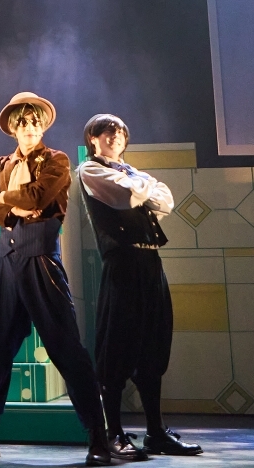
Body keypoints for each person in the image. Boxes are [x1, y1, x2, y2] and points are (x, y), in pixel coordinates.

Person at [0, 92, 115, 465]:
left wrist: (5, 198)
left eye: (35, 122)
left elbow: (40, 195)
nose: (29, 128)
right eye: (22, 123)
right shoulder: (2, 164)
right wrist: (12, 210)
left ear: (43, 126)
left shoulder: (57, 160)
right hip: (7, 263)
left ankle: (99, 439)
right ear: (12, 127)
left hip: (41, 262)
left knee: (66, 350)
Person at [78, 114, 202, 459]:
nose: (115, 135)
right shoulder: (90, 170)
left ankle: (156, 432)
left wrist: (140, 184)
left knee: (153, 345)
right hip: (122, 264)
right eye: (107, 131)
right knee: (117, 346)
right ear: (92, 138)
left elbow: (166, 201)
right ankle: (113, 434)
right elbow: (124, 197)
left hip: (150, 262)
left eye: (120, 131)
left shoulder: (130, 172)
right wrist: (143, 184)